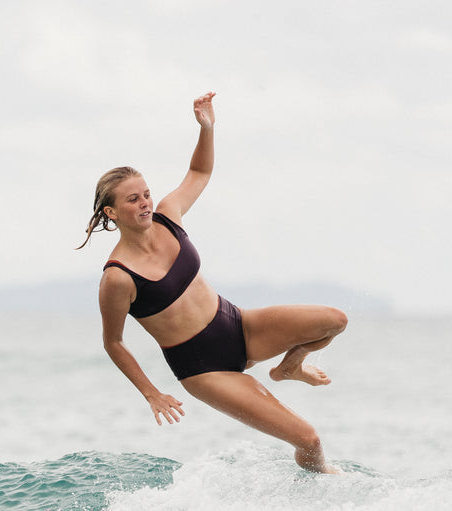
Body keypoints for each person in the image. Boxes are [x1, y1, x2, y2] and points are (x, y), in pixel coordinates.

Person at [77, 92, 347, 474]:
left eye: (147, 194)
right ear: (111, 212)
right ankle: (326, 491)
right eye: (133, 199)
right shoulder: (118, 277)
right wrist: (151, 393)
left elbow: (199, 173)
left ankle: (291, 368)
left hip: (237, 325)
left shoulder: (169, 216)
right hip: (204, 368)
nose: (145, 203)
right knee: (308, 439)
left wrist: (207, 129)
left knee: (334, 320)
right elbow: (114, 342)